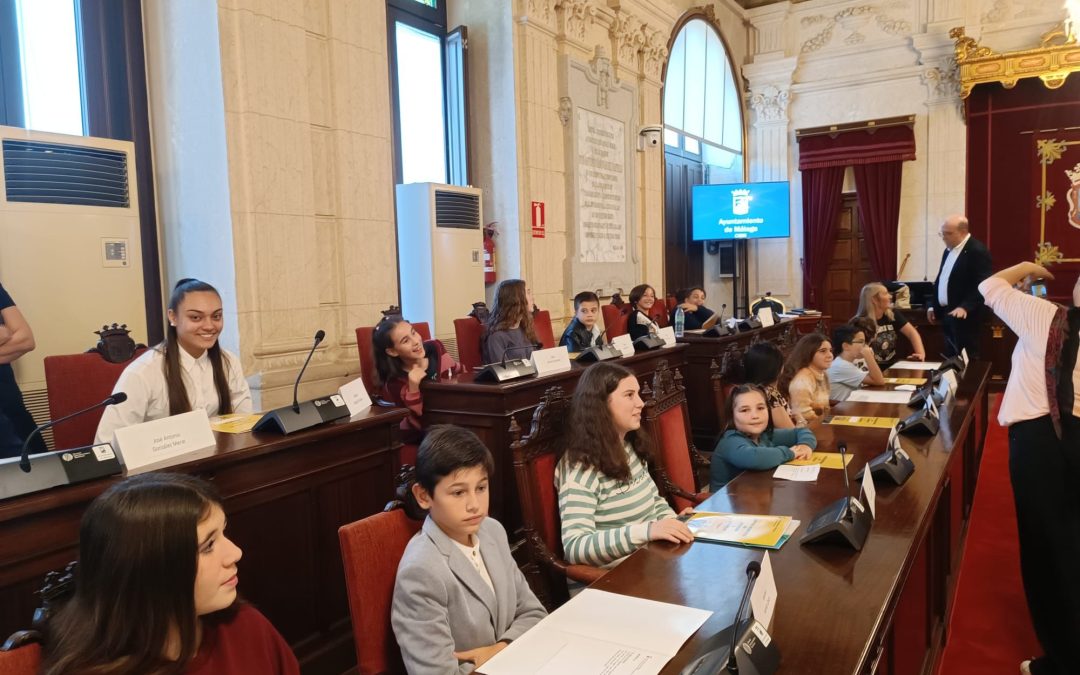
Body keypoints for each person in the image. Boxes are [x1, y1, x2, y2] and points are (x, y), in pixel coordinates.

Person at [41, 472, 299, 675]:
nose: (236, 553)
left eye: (224, 533)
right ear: (152, 571)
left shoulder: (246, 627)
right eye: (208, 546)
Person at [978, 262, 1080, 675]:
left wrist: (1028, 267)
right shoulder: (1046, 318)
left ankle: (1064, 660)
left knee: (1049, 555)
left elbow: (989, 286)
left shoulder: (1049, 318)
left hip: (1042, 445)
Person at [392, 425, 547, 674]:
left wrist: (500, 649)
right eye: (458, 492)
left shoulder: (492, 531)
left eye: (481, 488)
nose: (474, 505)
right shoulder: (420, 571)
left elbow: (534, 613)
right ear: (423, 496)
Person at [556, 362, 693, 573]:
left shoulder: (629, 445)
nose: (641, 403)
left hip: (652, 562)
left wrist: (674, 522)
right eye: (629, 395)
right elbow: (575, 547)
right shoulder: (579, 467)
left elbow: (653, 502)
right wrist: (647, 531)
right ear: (600, 404)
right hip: (613, 579)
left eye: (638, 394)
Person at [95, 279, 252, 446]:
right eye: (196, 317)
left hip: (217, 460)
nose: (209, 326)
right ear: (173, 317)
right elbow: (106, 444)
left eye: (216, 316)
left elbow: (244, 421)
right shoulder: (143, 372)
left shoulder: (228, 362)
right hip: (161, 469)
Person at [373, 317, 461, 445]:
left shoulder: (435, 348)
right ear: (392, 351)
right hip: (428, 437)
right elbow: (415, 422)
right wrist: (413, 388)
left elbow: (456, 371)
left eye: (413, 332)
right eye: (405, 341)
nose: (416, 341)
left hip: (457, 418)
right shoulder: (395, 383)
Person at [711, 384, 816, 490]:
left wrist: (805, 445)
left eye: (760, 408)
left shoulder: (765, 434)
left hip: (754, 495)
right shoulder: (730, 441)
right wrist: (790, 453)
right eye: (744, 410)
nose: (755, 416)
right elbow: (753, 458)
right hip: (725, 503)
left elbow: (801, 432)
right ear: (732, 416)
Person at [927, 214, 992, 358]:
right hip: (947, 314)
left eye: (948, 234)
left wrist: (965, 306)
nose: (944, 238)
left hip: (966, 317)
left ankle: (968, 382)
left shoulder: (977, 251)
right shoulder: (948, 250)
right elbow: (941, 280)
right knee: (951, 358)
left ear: (962, 232)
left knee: (967, 358)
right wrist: (933, 305)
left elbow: (983, 285)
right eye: (942, 234)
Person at [0, 282, 45, 459]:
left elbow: (25, 340)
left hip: (12, 407)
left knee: (46, 473)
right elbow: (5, 334)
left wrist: (4, 333)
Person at [853, 282, 926, 369]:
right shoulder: (859, 323)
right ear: (874, 300)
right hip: (871, 370)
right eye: (885, 293)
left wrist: (920, 354)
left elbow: (912, 332)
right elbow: (856, 355)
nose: (890, 296)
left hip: (892, 366)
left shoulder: (892, 314)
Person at [743, 342, 803, 428]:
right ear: (778, 368)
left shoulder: (747, 390)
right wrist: (801, 420)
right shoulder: (770, 395)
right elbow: (792, 434)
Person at [481, 279, 538, 364]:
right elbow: (504, 372)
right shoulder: (497, 337)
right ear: (516, 300)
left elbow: (539, 360)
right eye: (528, 293)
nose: (532, 298)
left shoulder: (525, 327)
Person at [780, 333, 833, 423]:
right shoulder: (802, 380)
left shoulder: (823, 374)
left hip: (823, 424)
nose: (830, 355)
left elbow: (826, 407)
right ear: (808, 353)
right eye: (823, 351)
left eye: (830, 350)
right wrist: (828, 424)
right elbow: (804, 414)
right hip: (809, 429)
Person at [827, 323, 885, 402]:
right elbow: (879, 381)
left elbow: (874, 377)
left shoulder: (847, 362)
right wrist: (868, 356)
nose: (866, 346)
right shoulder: (841, 365)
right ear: (846, 346)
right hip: (841, 410)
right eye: (861, 342)